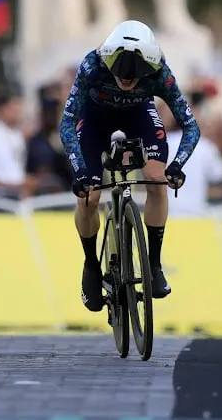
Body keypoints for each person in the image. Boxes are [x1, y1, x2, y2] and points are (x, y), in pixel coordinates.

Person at [59, 20, 201, 312]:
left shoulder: (161, 72)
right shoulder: (93, 65)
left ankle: (154, 264)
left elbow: (190, 126)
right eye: (120, 76)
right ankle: (90, 265)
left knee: (155, 178)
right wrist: (80, 171)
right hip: (95, 118)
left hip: (139, 115)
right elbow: (67, 121)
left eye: (133, 78)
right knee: (90, 196)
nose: (126, 81)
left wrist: (177, 165)